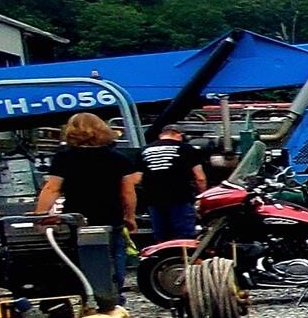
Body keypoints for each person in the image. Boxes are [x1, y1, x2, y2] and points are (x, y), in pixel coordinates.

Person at [31, 112, 141, 301]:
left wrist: (39, 215)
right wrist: (130, 217)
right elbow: (128, 193)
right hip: (109, 218)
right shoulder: (117, 158)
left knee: (78, 258)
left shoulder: (63, 158)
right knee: (113, 257)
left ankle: (85, 294)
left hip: (76, 220)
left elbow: (52, 188)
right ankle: (113, 295)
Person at [136, 122, 208, 244]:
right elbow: (200, 177)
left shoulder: (143, 150)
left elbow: (137, 179)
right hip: (180, 198)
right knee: (184, 238)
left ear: (161, 135)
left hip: (154, 200)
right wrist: (202, 197)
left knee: (161, 238)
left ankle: (164, 261)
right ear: (179, 135)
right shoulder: (186, 148)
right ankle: (185, 260)